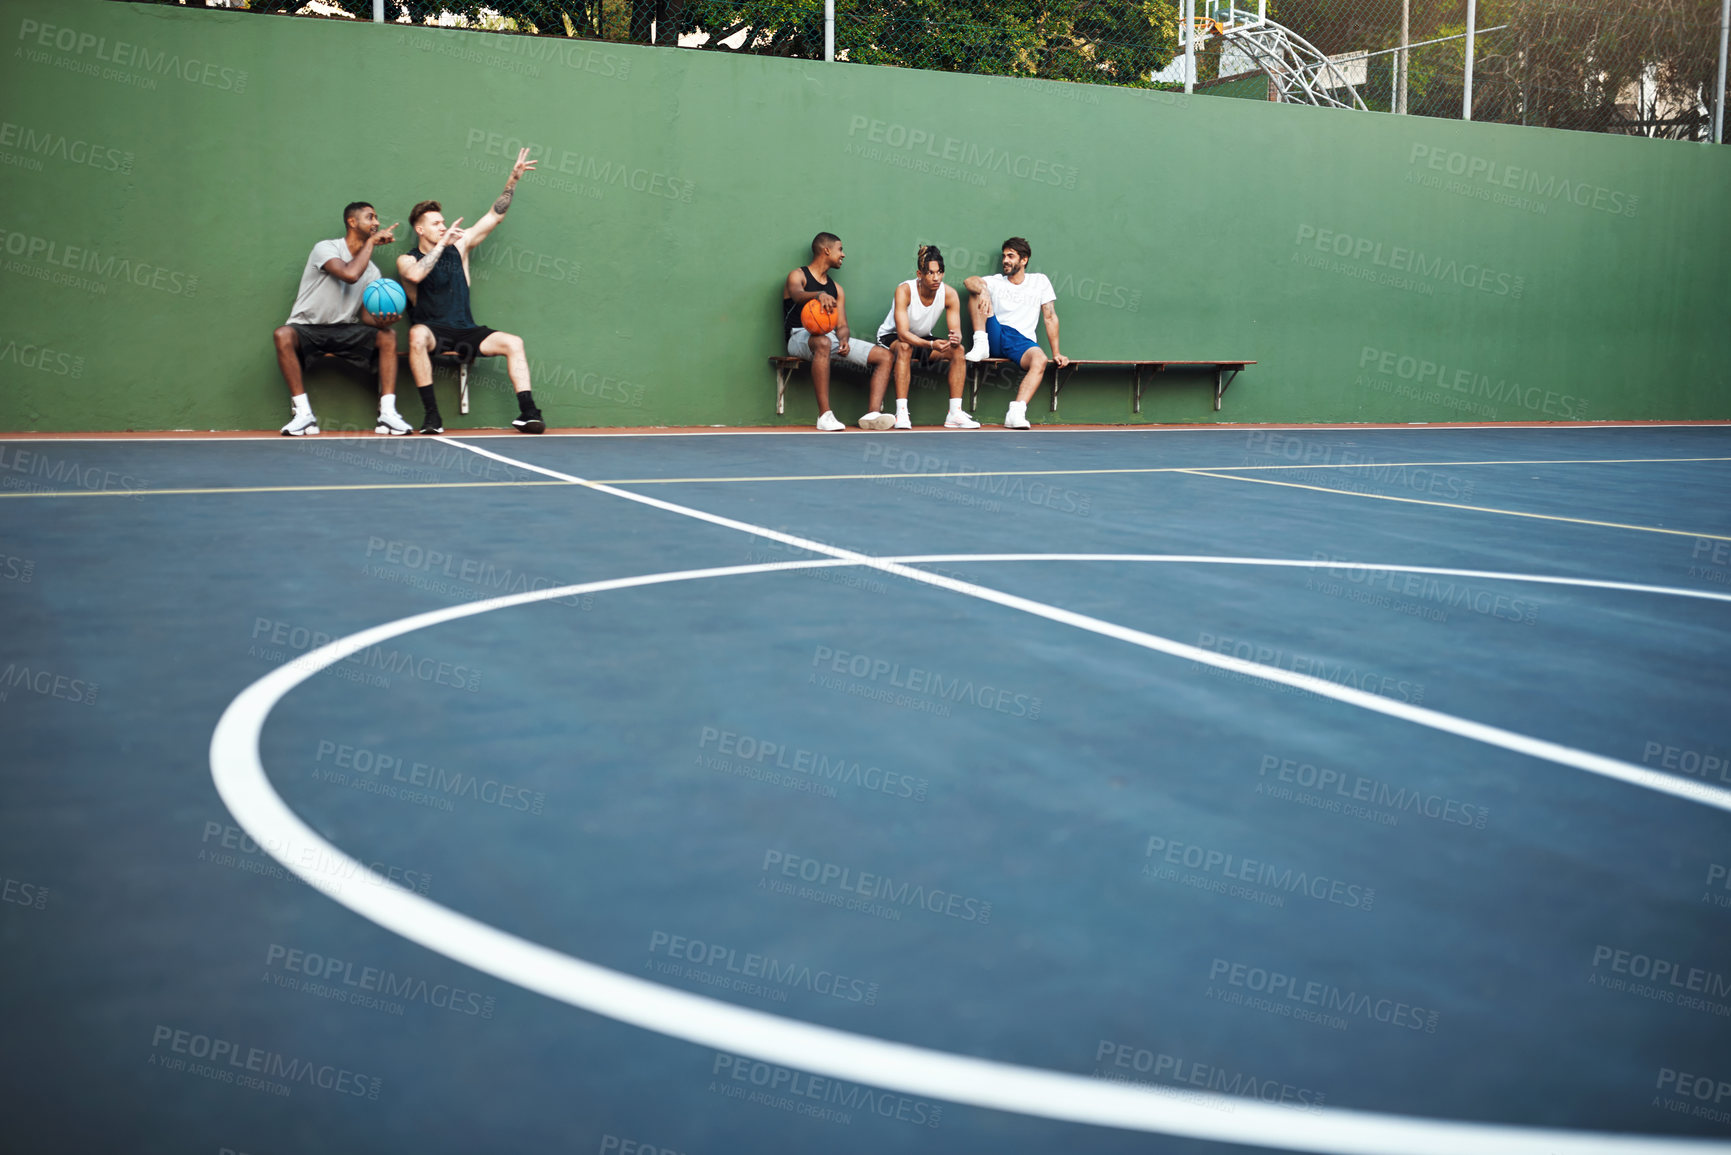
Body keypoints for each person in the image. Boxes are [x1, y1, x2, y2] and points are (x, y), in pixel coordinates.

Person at [398, 147, 545, 434]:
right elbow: (416, 275)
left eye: (443, 222)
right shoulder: (407, 259)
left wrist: (512, 180)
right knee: (415, 334)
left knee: (513, 342)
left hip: (465, 331)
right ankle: (432, 417)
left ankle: (528, 413)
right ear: (420, 230)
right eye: (436, 224)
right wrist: (442, 245)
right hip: (432, 332)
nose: (443, 226)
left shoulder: (460, 245)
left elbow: (494, 216)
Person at [272, 202, 407, 436]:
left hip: (344, 329)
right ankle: (304, 415)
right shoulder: (325, 248)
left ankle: (387, 414)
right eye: (370, 217)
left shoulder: (372, 271)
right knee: (282, 334)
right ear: (352, 222)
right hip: (308, 327)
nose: (376, 222)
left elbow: (366, 317)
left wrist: (385, 321)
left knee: (388, 337)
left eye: (376, 218)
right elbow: (349, 274)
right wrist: (372, 243)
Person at [782, 233, 895, 431]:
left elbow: (842, 325)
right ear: (826, 250)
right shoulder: (798, 275)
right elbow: (797, 295)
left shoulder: (837, 289)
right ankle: (824, 416)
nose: (843, 255)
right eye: (840, 249)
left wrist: (843, 340)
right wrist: (818, 295)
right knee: (823, 342)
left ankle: (872, 414)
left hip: (829, 338)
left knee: (885, 356)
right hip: (798, 337)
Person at [963, 237, 1070, 429]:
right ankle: (980, 343)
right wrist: (984, 290)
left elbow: (1050, 316)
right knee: (976, 291)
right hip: (995, 335)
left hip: (1022, 342)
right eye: (1004, 256)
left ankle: (1016, 412)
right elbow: (969, 282)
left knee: (1040, 360)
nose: (1005, 260)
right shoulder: (995, 282)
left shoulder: (1040, 282)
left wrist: (1057, 353)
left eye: (1011, 256)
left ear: (1024, 260)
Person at [875, 245, 978, 429]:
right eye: (930, 273)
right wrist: (931, 346)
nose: (936, 277)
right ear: (920, 274)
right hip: (891, 337)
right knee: (905, 347)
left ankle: (954, 413)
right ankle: (902, 413)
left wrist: (956, 338)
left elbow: (957, 332)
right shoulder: (904, 290)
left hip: (922, 338)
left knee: (958, 351)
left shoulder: (949, 294)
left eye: (939, 272)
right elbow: (903, 334)